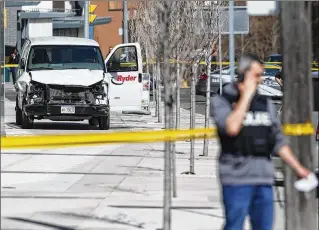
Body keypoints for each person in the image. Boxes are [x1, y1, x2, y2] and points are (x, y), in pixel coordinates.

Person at [210, 54, 311, 230]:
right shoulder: (223, 100)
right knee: (234, 226)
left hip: (263, 178)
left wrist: (299, 169)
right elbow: (232, 128)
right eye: (257, 75)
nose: (261, 80)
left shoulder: (265, 104)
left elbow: (278, 141)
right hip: (236, 178)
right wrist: (246, 96)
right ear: (243, 74)